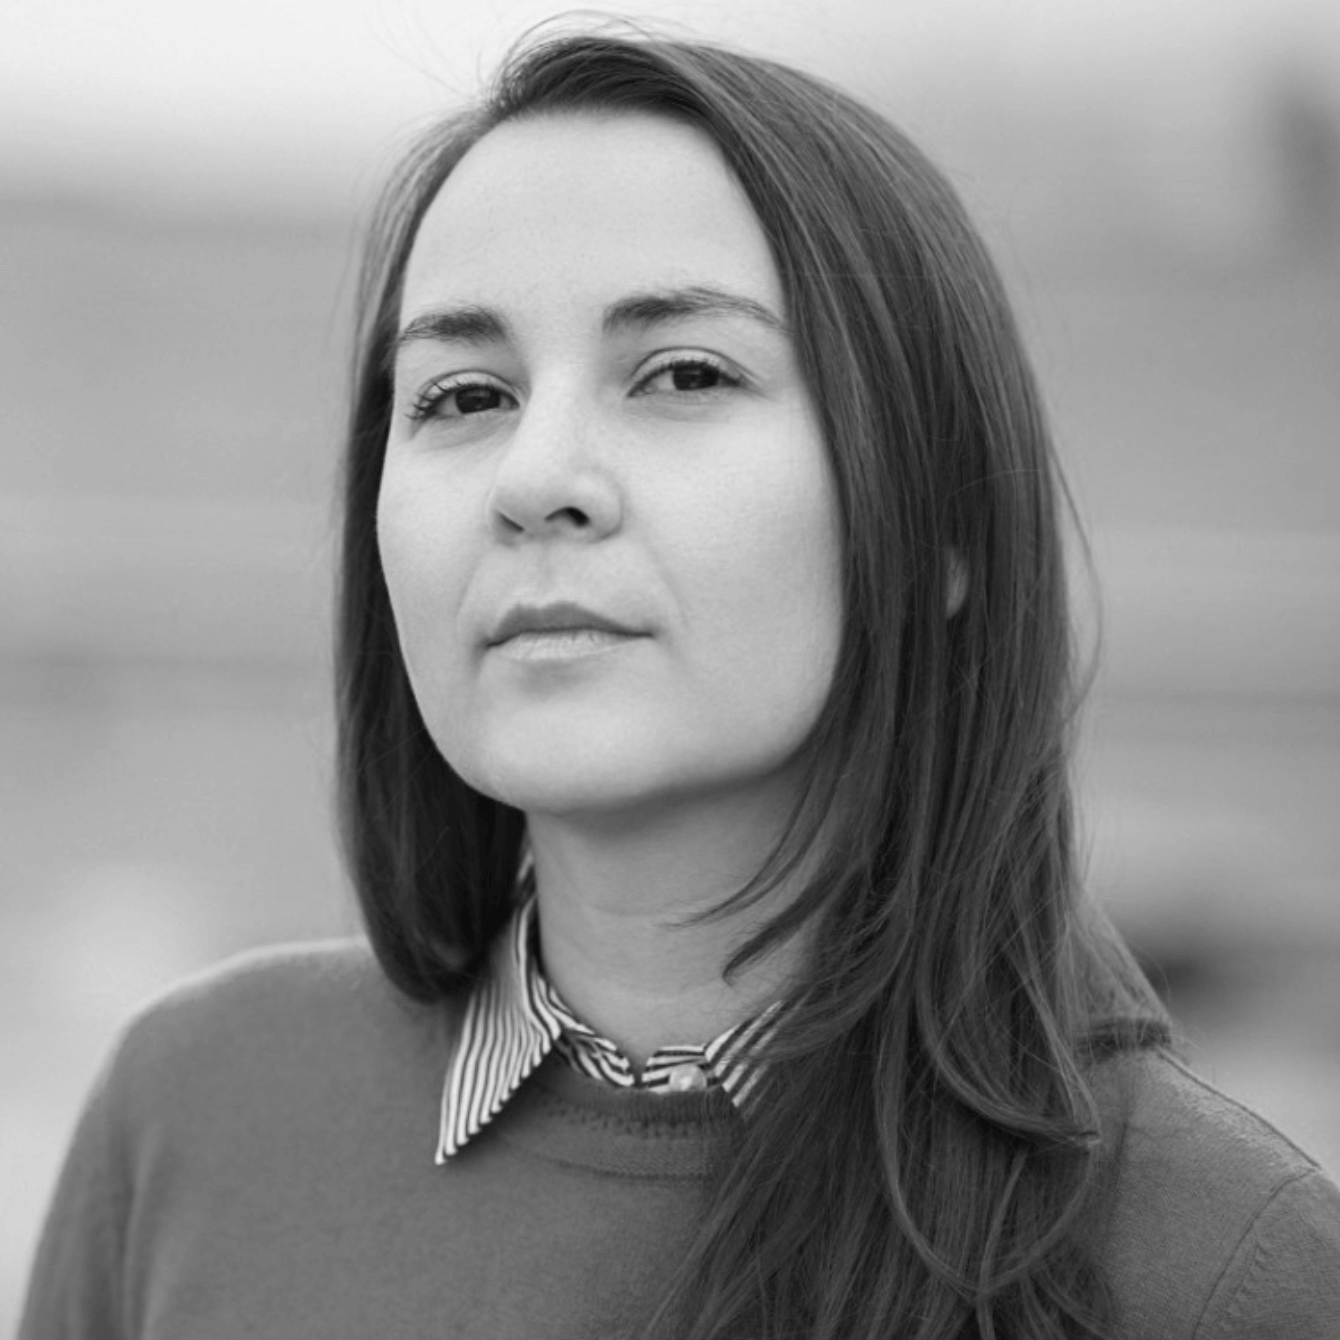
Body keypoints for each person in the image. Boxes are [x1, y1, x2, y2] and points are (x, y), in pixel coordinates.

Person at [20, 26, 1340, 1340]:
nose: (537, 478)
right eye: (464, 396)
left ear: (939, 522)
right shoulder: (193, 1119)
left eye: (685, 374)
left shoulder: (1223, 1267)